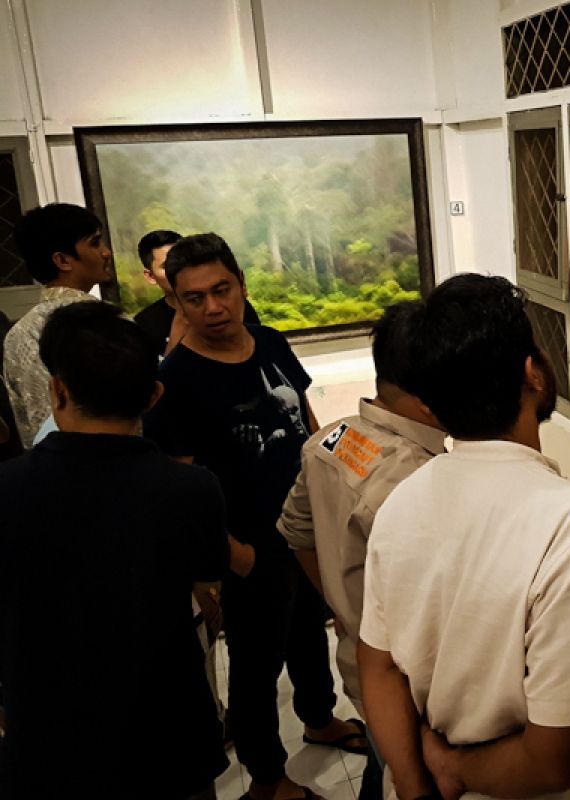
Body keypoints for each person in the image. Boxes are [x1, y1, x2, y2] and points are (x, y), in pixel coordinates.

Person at [359, 274, 570, 800]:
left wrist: (415, 788)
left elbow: (376, 665)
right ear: (532, 374)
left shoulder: (401, 503)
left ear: (431, 406)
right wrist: (451, 767)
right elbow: (552, 764)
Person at [143, 232, 366, 800]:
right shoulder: (177, 380)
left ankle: (319, 717)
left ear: (242, 286)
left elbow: (310, 426)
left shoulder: (269, 341)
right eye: (194, 298)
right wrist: (227, 558)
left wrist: (343, 485)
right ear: (177, 303)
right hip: (245, 546)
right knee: (255, 665)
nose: (213, 307)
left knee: (309, 632)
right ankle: (267, 776)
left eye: (222, 290)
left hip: (303, 527)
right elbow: (179, 486)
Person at [0, 302, 229, 799]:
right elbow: (207, 577)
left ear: (56, 389)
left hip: (48, 736)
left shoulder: (7, 487)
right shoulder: (192, 488)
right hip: (168, 728)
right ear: (153, 396)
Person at [278, 302, 445, 800]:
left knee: (381, 760)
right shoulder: (417, 479)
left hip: (357, 662)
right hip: (407, 688)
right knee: (407, 772)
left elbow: (295, 530)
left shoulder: (333, 436)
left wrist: (343, 604)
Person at [2, 203, 109, 448]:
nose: (106, 252)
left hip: (44, 475)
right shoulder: (107, 323)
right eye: (95, 242)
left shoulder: (17, 334)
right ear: (62, 260)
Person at [134, 229, 261, 357]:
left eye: (221, 291)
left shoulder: (237, 307)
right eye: (167, 266)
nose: (213, 308)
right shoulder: (143, 325)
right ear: (150, 276)